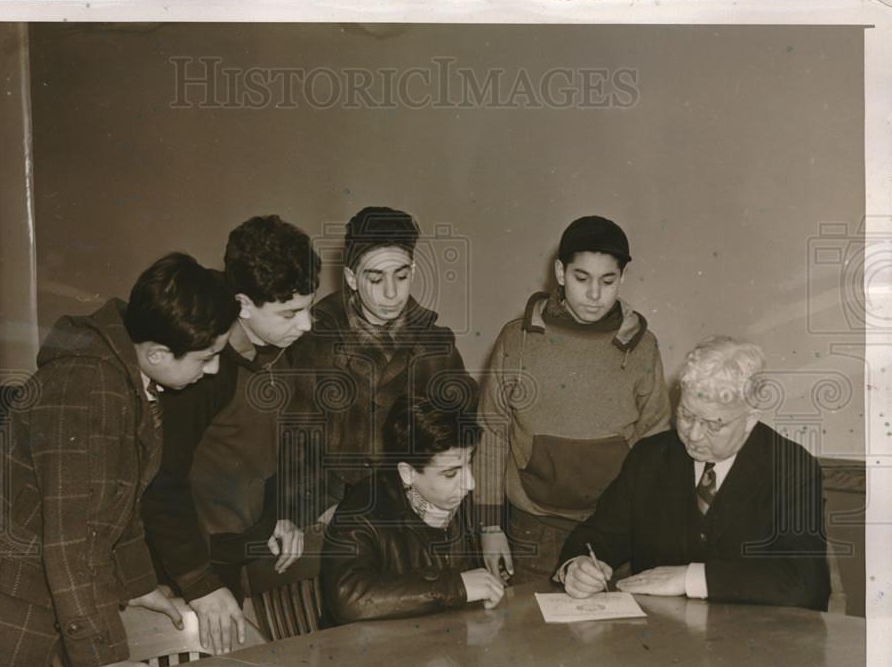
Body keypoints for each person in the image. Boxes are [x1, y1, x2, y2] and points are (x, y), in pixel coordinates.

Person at [0, 253, 235, 667]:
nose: (215, 369)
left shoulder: (126, 375)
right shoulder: (87, 393)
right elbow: (73, 540)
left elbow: (119, 505)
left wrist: (140, 584)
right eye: (208, 356)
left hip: (21, 619)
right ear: (158, 353)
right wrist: (105, 658)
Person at [141, 215, 321, 657]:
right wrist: (199, 583)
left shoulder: (279, 348)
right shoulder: (200, 370)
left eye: (308, 307)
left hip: (233, 547)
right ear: (242, 305)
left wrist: (280, 512)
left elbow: (281, 442)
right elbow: (161, 481)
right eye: (291, 313)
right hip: (184, 563)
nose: (307, 325)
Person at [556, 336, 831, 611]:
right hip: (657, 641)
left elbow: (807, 585)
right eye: (686, 415)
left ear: (750, 419)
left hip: (751, 644)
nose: (694, 435)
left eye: (713, 424)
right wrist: (577, 566)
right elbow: (599, 535)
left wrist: (690, 578)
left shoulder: (792, 468)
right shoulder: (649, 457)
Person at [474, 215, 670, 585]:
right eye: (582, 279)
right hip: (532, 527)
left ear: (622, 279)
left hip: (611, 533)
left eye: (607, 281)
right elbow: (492, 433)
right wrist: (489, 526)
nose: (595, 295)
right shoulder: (517, 340)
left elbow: (655, 441)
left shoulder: (643, 346)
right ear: (561, 273)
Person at [284, 206, 478, 531]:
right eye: (375, 278)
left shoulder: (436, 344)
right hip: (332, 511)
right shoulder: (313, 341)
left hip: (413, 513)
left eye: (401, 276)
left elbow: (458, 438)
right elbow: (297, 440)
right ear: (351, 278)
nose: (391, 293)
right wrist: (322, 505)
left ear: (413, 270)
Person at [321, 394, 505, 625]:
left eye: (469, 463)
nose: (470, 483)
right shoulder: (361, 511)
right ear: (407, 473)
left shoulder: (453, 496)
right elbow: (350, 599)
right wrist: (455, 586)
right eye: (451, 473)